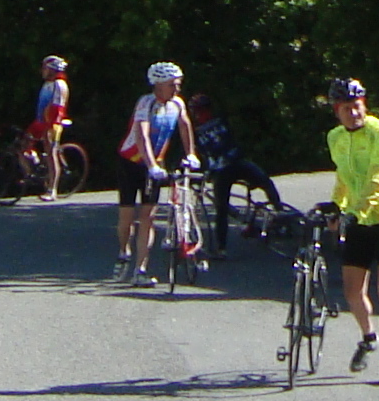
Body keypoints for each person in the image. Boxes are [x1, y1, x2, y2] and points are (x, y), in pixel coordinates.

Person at [325, 76, 379, 384]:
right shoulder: (335, 137)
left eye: (358, 106)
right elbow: (344, 176)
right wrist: (336, 206)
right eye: (347, 108)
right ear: (337, 111)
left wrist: (355, 212)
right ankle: (368, 336)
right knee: (352, 290)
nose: (354, 113)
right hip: (357, 216)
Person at [114, 62, 195, 280]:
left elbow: (185, 126)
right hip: (130, 162)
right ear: (158, 85)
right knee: (127, 216)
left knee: (148, 217)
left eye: (178, 84)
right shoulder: (145, 103)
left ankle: (140, 270)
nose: (177, 89)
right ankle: (124, 251)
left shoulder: (177, 104)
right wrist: (151, 165)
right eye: (172, 85)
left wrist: (191, 154)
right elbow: (142, 136)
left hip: (155, 164)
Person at [189, 93, 282, 231]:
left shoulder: (221, 121)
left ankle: (280, 213)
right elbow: (196, 152)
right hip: (220, 171)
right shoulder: (194, 131)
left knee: (265, 181)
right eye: (197, 111)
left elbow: (234, 141)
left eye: (203, 110)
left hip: (236, 162)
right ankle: (221, 243)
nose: (200, 114)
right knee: (221, 208)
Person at [27, 56, 71, 195]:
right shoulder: (47, 84)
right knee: (24, 143)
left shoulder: (59, 84)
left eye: (45, 68)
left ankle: (52, 189)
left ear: (52, 70)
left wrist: (50, 127)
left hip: (52, 123)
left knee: (51, 154)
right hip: (40, 121)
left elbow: (58, 108)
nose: (42, 71)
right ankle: (34, 169)